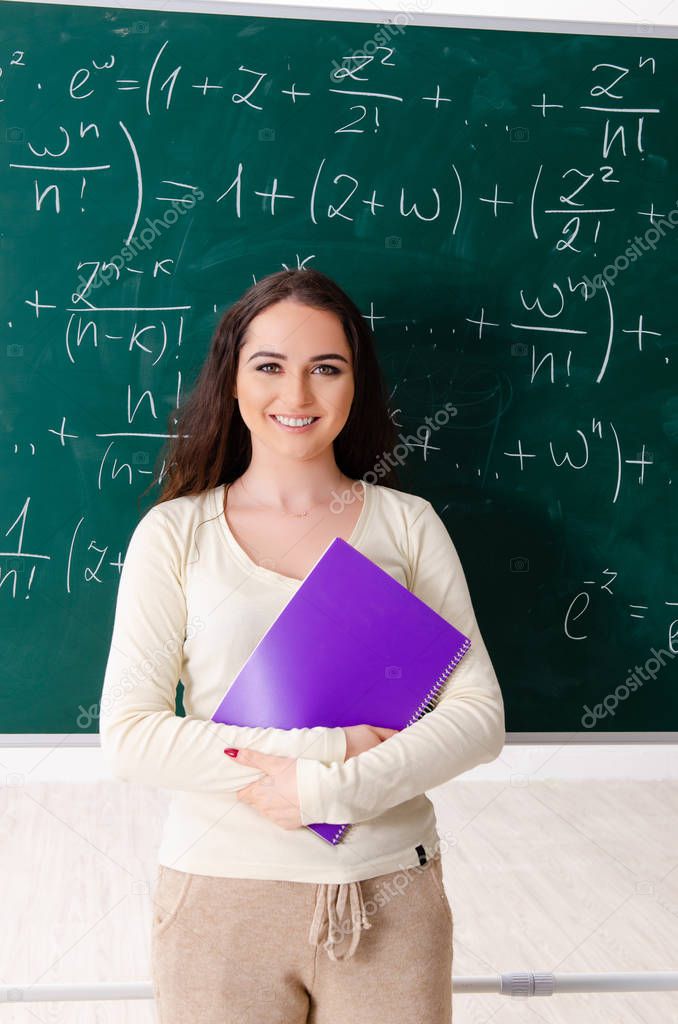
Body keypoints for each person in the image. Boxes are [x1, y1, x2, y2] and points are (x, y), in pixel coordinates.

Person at [99, 268, 505, 1023]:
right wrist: (336, 745)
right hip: (220, 898)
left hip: (391, 894)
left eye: (327, 368)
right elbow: (131, 737)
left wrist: (323, 789)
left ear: (356, 385)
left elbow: (479, 717)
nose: (297, 396)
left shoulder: (407, 524)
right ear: (232, 380)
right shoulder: (177, 534)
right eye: (270, 367)